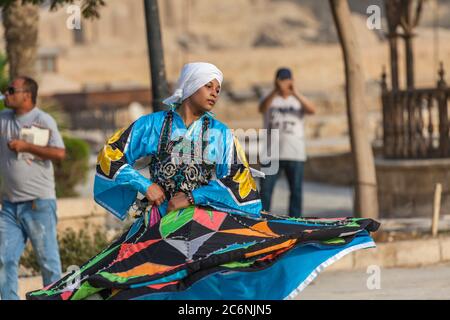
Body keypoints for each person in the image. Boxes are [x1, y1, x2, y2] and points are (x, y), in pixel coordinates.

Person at [27, 63, 379, 300]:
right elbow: (111, 154)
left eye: (218, 88)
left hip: (204, 223)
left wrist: (191, 195)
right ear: (191, 86)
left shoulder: (222, 134)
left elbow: (239, 182)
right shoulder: (154, 126)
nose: (215, 92)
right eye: (208, 85)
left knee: (207, 279)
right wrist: (144, 185)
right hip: (156, 223)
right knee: (126, 276)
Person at [0, 76, 65, 300]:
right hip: (9, 206)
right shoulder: (3, 119)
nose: (6, 94)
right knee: (3, 258)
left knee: (48, 262)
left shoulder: (43, 120)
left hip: (39, 204)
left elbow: (59, 153)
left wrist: (27, 146)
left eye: (11, 90)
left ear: (26, 95)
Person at [259, 67, 316, 218]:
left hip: (295, 153)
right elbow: (262, 108)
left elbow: (312, 109)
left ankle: (295, 221)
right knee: (265, 191)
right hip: (271, 153)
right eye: (281, 80)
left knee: (296, 191)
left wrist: (295, 91)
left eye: (286, 80)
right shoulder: (269, 98)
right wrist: (274, 91)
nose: (284, 83)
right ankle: (262, 219)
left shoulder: (298, 100)